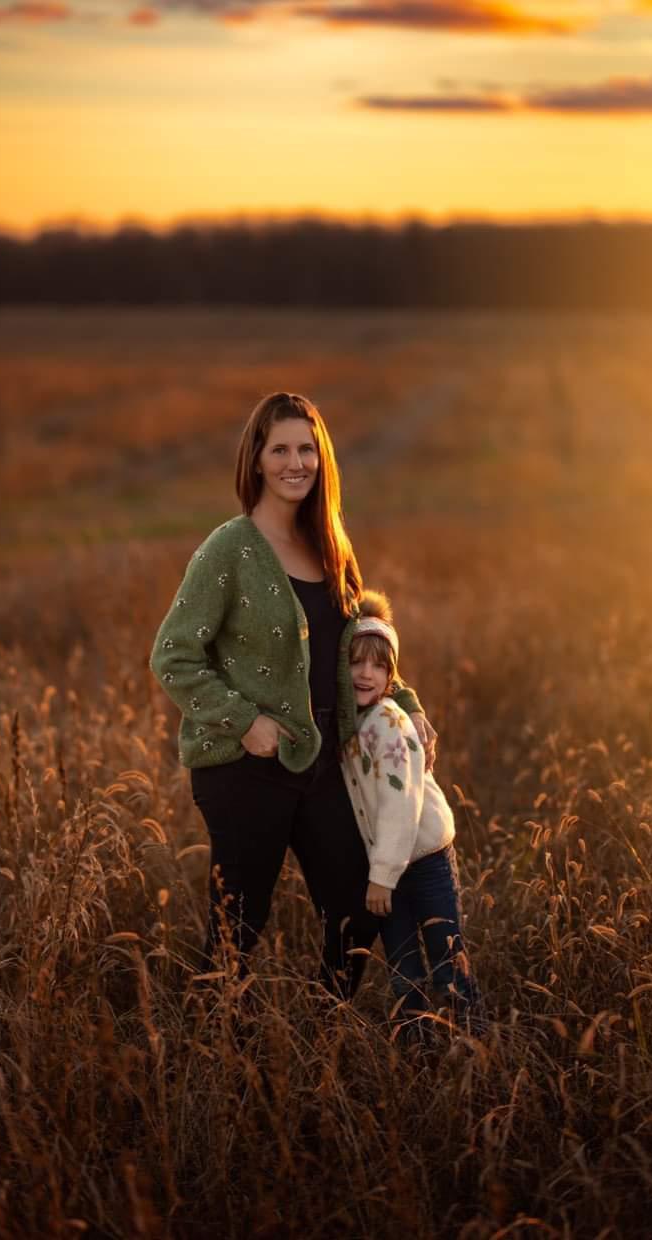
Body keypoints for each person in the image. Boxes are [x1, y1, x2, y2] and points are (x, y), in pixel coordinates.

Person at [150, 391, 436, 999]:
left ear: (322, 458)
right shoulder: (228, 548)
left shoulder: (332, 548)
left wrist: (407, 705)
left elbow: (360, 649)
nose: (294, 462)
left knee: (358, 910)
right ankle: (208, 1056)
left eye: (306, 449)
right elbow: (173, 655)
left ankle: (317, 1035)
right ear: (256, 459)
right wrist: (244, 721)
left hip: (325, 760)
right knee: (237, 929)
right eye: (279, 449)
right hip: (244, 768)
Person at [340, 589, 481, 1034]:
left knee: (447, 956)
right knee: (403, 967)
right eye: (356, 662)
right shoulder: (349, 724)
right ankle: (419, 1050)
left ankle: (473, 1044)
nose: (366, 674)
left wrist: (381, 874)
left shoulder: (388, 722)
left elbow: (402, 806)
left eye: (379, 666)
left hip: (423, 861)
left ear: (392, 677)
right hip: (385, 866)